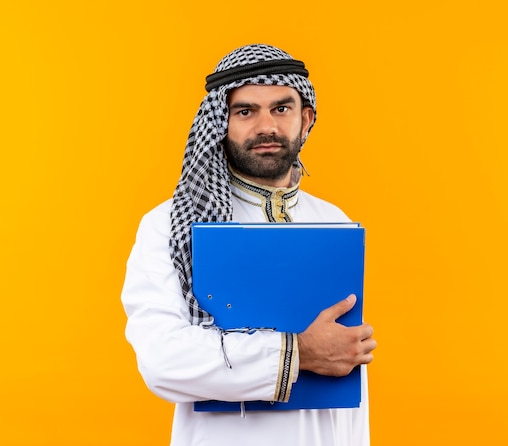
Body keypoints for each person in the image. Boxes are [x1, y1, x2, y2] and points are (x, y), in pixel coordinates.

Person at [121, 43, 376, 446]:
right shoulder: (170, 225)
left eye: (281, 108)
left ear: (305, 119)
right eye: (245, 111)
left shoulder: (335, 222)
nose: (266, 127)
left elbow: (348, 371)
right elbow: (163, 359)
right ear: (220, 122)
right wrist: (298, 352)